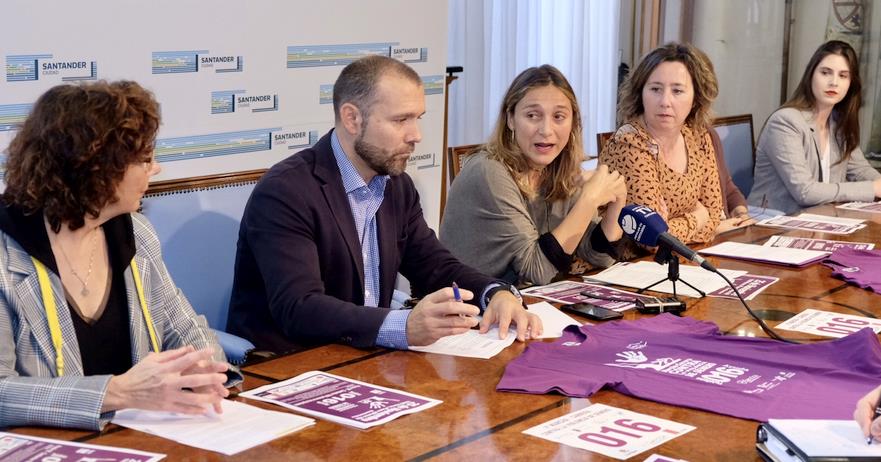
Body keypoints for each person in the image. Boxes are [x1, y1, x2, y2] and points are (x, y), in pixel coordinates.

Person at [227, 55, 541, 354]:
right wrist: (402, 326)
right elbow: (299, 307)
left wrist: (495, 294)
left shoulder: (397, 186)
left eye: (417, 119)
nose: (416, 135)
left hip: (366, 357)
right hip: (290, 365)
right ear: (352, 118)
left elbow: (434, 265)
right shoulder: (287, 191)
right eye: (401, 119)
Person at [0, 81, 239, 430]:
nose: (156, 169)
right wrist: (115, 392)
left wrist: (207, 370)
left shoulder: (135, 233)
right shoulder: (7, 252)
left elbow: (187, 330)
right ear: (96, 169)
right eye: (144, 159)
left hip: (142, 439)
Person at [440, 65, 626, 286]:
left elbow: (599, 256)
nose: (546, 130)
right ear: (510, 119)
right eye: (532, 116)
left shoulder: (557, 167)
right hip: (467, 309)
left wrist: (617, 202)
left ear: (573, 123)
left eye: (559, 116)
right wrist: (589, 200)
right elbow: (537, 271)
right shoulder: (488, 171)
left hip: (524, 306)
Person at [600, 42, 725, 246]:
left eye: (677, 91)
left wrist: (676, 225)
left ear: (695, 98)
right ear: (641, 93)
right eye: (656, 89)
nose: (665, 101)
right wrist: (697, 217)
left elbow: (714, 218)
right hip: (627, 266)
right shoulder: (630, 143)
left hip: (681, 259)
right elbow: (650, 240)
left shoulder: (698, 137)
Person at [748, 40, 881, 215]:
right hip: (772, 223)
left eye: (843, 76)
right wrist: (872, 189)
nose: (834, 82)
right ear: (811, 75)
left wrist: (877, 182)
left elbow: (860, 170)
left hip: (817, 220)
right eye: (825, 73)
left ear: (851, 84)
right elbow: (805, 191)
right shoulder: (785, 122)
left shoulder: (839, 123)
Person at [708, 127, 756, 233]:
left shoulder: (709, 134)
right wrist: (712, 229)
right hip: (693, 240)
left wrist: (741, 214)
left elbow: (729, 190)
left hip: (727, 233)